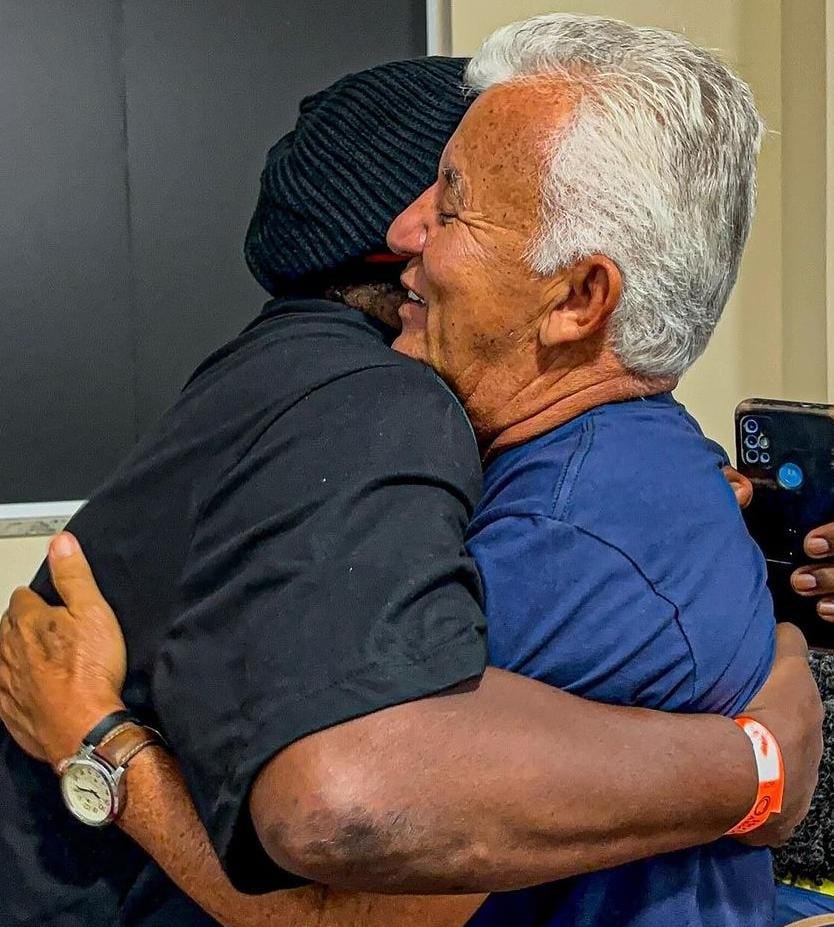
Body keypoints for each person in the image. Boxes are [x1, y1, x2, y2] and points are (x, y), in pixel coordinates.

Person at [0, 39, 822, 927]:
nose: (405, 233)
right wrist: (763, 749)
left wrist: (97, 739)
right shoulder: (585, 464)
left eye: (454, 205)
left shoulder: (560, 532)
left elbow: (345, 877)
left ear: (579, 298)